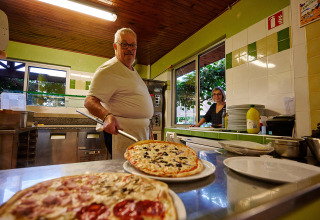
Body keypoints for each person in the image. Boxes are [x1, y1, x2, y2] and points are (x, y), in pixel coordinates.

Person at [84, 28, 153, 159]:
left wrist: (147, 127)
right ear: (115, 46)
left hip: (140, 134)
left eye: (133, 45)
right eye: (124, 44)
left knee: (139, 173)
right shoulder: (109, 69)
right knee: (125, 173)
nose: (130, 49)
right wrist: (107, 117)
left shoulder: (133, 71)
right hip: (123, 135)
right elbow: (89, 101)